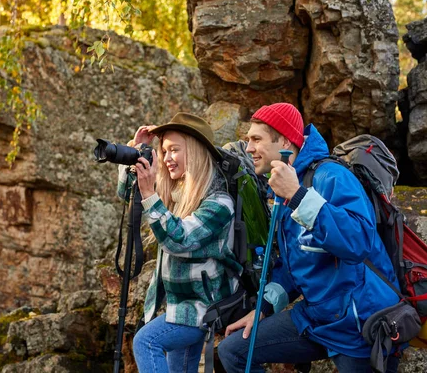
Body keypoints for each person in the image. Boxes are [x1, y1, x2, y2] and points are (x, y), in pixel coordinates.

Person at [217, 102, 401, 373]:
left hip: (359, 323)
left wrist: (299, 196)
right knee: (233, 350)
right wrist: (263, 309)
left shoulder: (331, 176)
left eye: (256, 139)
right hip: (317, 318)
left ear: (284, 141)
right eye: (247, 140)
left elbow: (359, 242)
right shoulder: (285, 187)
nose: (249, 148)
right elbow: (296, 262)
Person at [117, 112, 241, 373]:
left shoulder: (219, 203)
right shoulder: (177, 194)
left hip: (202, 308)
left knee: (146, 341)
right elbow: (129, 194)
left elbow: (179, 239)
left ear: (195, 152)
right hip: (179, 305)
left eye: (174, 150)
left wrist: (150, 194)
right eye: (163, 151)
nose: (166, 158)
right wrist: (134, 151)